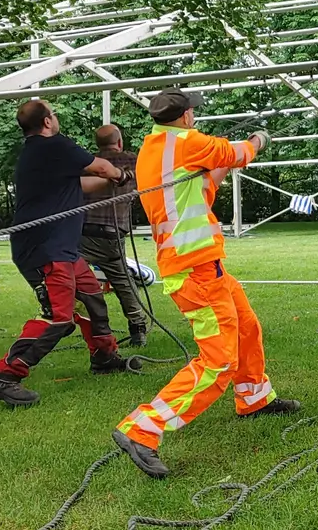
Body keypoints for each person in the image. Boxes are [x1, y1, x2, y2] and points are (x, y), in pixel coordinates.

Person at [111, 88, 301, 478]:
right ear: (185, 116)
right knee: (219, 361)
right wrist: (259, 139)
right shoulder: (187, 142)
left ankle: (254, 397)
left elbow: (204, 186)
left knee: (246, 327)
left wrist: (222, 160)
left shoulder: (156, 148)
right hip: (195, 269)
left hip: (202, 265)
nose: (194, 117)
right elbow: (238, 153)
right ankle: (142, 429)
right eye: (192, 113)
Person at [0, 100, 139, 406]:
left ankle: (104, 356)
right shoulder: (54, 145)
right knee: (59, 318)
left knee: (92, 297)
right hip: (45, 249)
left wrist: (116, 181)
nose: (55, 118)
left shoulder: (40, 154)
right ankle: (5, 376)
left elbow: (83, 185)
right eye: (53, 114)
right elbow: (102, 167)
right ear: (47, 122)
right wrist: (121, 176)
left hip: (62, 248)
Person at [78, 123, 149, 346]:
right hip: (111, 234)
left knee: (74, 280)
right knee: (122, 281)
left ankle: (85, 325)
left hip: (83, 233)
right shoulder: (133, 161)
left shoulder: (87, 163)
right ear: (119, 142)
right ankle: (138, 327)